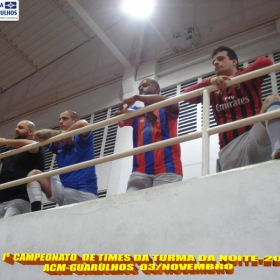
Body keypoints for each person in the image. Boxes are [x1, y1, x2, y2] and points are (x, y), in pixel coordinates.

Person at [183, 46, 280, 171]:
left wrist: (237, 78)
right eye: (214, 62)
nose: (216, 63)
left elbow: (266, 62)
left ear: (234, 61)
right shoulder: (211, 90)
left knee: (273, 99)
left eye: (220, 59)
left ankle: (278, 147)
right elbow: (186, 95)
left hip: (255, 137)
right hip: (229, 146)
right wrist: (210, 81)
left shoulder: (247, 78)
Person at [115, 78, 183, 192]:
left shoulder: (165, 108)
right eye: (139, 87)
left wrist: (137, 97)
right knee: (131, 206)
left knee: (162, 208)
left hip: (168, 168)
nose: (141, 88)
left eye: (145, 85)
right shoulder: (136, 110)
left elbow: (168, 101)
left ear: (156, 89)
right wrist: (144, 113)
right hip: (140, 171)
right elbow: (118, 114)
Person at [26, 110, 98, 211]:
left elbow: (83, 123)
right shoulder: (58, 141)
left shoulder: (81, 138)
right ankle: (35, 212)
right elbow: (37, 135)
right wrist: (61, 135)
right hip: (64, 190)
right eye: (59, 119)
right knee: (33, 174)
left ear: (75, 120)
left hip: (84, 191)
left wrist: (66, 135)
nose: (60, 121)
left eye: (65, 118)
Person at [0, 120, 45, 217]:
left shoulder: (36, 145)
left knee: (8, 229)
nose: (16, 129)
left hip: (20, 199)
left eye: (20, 128)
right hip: (2, 200)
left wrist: (4, 141)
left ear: (30, 132)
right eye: (16, 127)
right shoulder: (8, 150)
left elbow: (31, 145)